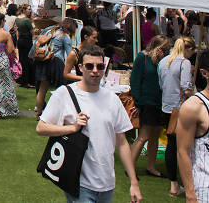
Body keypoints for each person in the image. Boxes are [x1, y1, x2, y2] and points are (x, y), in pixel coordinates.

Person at [37, 44, 142, 203]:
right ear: (80, 68)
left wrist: (133, 182)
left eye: (100, 66)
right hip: (79, 182)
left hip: (107, 183)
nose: (95, 70)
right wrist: (71, 128)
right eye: (89, 66)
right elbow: (41, 128)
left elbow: (122, 142)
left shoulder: (112, 99)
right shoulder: (64, 94)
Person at [159, 36, 197, 197]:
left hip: (166, 108)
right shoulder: (184, 63)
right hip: (180, 109)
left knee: (171, 146)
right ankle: (187, 183)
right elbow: (186, 88)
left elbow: (161, 84)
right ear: (188, 49)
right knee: (184, 148)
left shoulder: (164, 61)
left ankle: (174, 183)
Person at [130, 34, 171, 179]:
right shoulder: (143, 58)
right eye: (165, 49)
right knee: (144, 136)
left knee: (155, 135)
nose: (167, 52)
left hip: (159, 102)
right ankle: (130, 168)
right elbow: (135, 80)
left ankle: (151, 167)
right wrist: (138, 101)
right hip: (147, 102)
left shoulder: (162, 61)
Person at [176, 48, 209, 203]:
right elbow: (183, 151)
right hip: (204, 189)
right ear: (204, 73)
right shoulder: (193, 107)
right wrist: (190, 193)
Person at [35, 19, 77, 119]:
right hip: (56, 62)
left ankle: (38, 113)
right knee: (61, 89)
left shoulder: (51, 31)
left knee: (42, 89)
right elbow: (70, 53)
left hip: (43, 60)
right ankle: (58, 112)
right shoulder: (65, 36)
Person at [13, 4, 35, 88]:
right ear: (24, 10)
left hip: (21, 40)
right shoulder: (27, 20)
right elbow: (32, 32)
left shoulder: (17, 19)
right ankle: (28, 81)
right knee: (28, 60)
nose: (30, 10)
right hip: (27, 40)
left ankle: (22, 80)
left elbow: (17, 31)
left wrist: (18, 39)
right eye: (29, 9)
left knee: (22, 60)